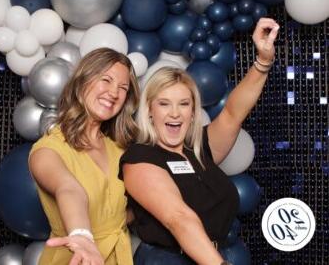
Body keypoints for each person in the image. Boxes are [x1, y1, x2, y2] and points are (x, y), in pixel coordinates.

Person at [119, 18, 279, 265]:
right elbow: (178, 217)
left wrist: (263, 61)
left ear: (193, 111)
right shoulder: (140, 158)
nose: (175, 113)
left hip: (213, 256)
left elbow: (233, 113)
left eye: (184, 104)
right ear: (149, 111)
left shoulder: (199, 149)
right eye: (164, 104)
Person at [28, 48, 140, 265]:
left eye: (123, 88)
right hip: (74, 258)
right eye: (106, 80)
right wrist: (82, 235)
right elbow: (69, 189)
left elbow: (121, 211)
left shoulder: (120, 149)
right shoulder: (47, 150)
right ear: (82, 81)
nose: (114, 93)